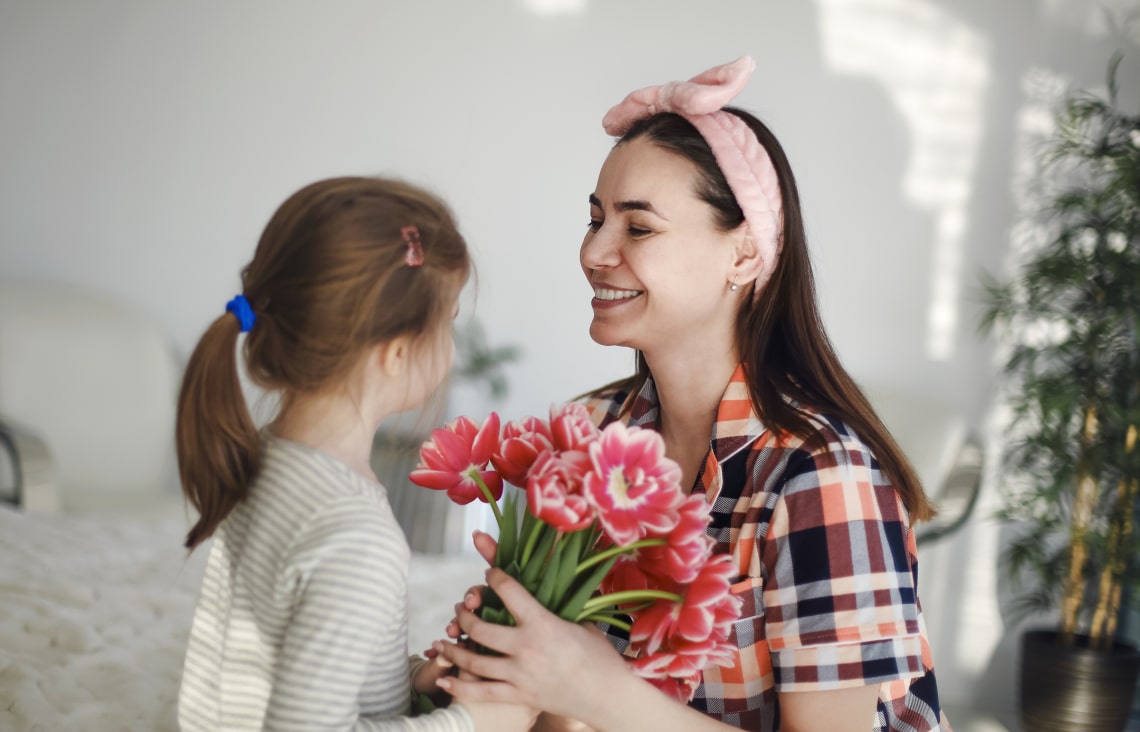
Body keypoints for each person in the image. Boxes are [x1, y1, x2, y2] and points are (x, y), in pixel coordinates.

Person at [434, 57, 952, 731]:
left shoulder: (822, 476)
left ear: (743, 255)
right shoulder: (586, 433)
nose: (595, 251)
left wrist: (595, 691)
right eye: (596, 220)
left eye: (638, 227)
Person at [175, 176, 534, 731]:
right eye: (449, 323)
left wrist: (415, 678)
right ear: (395, 353)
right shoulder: (355, 536)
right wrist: (471, 725)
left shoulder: (265, 461)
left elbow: (287, 661)